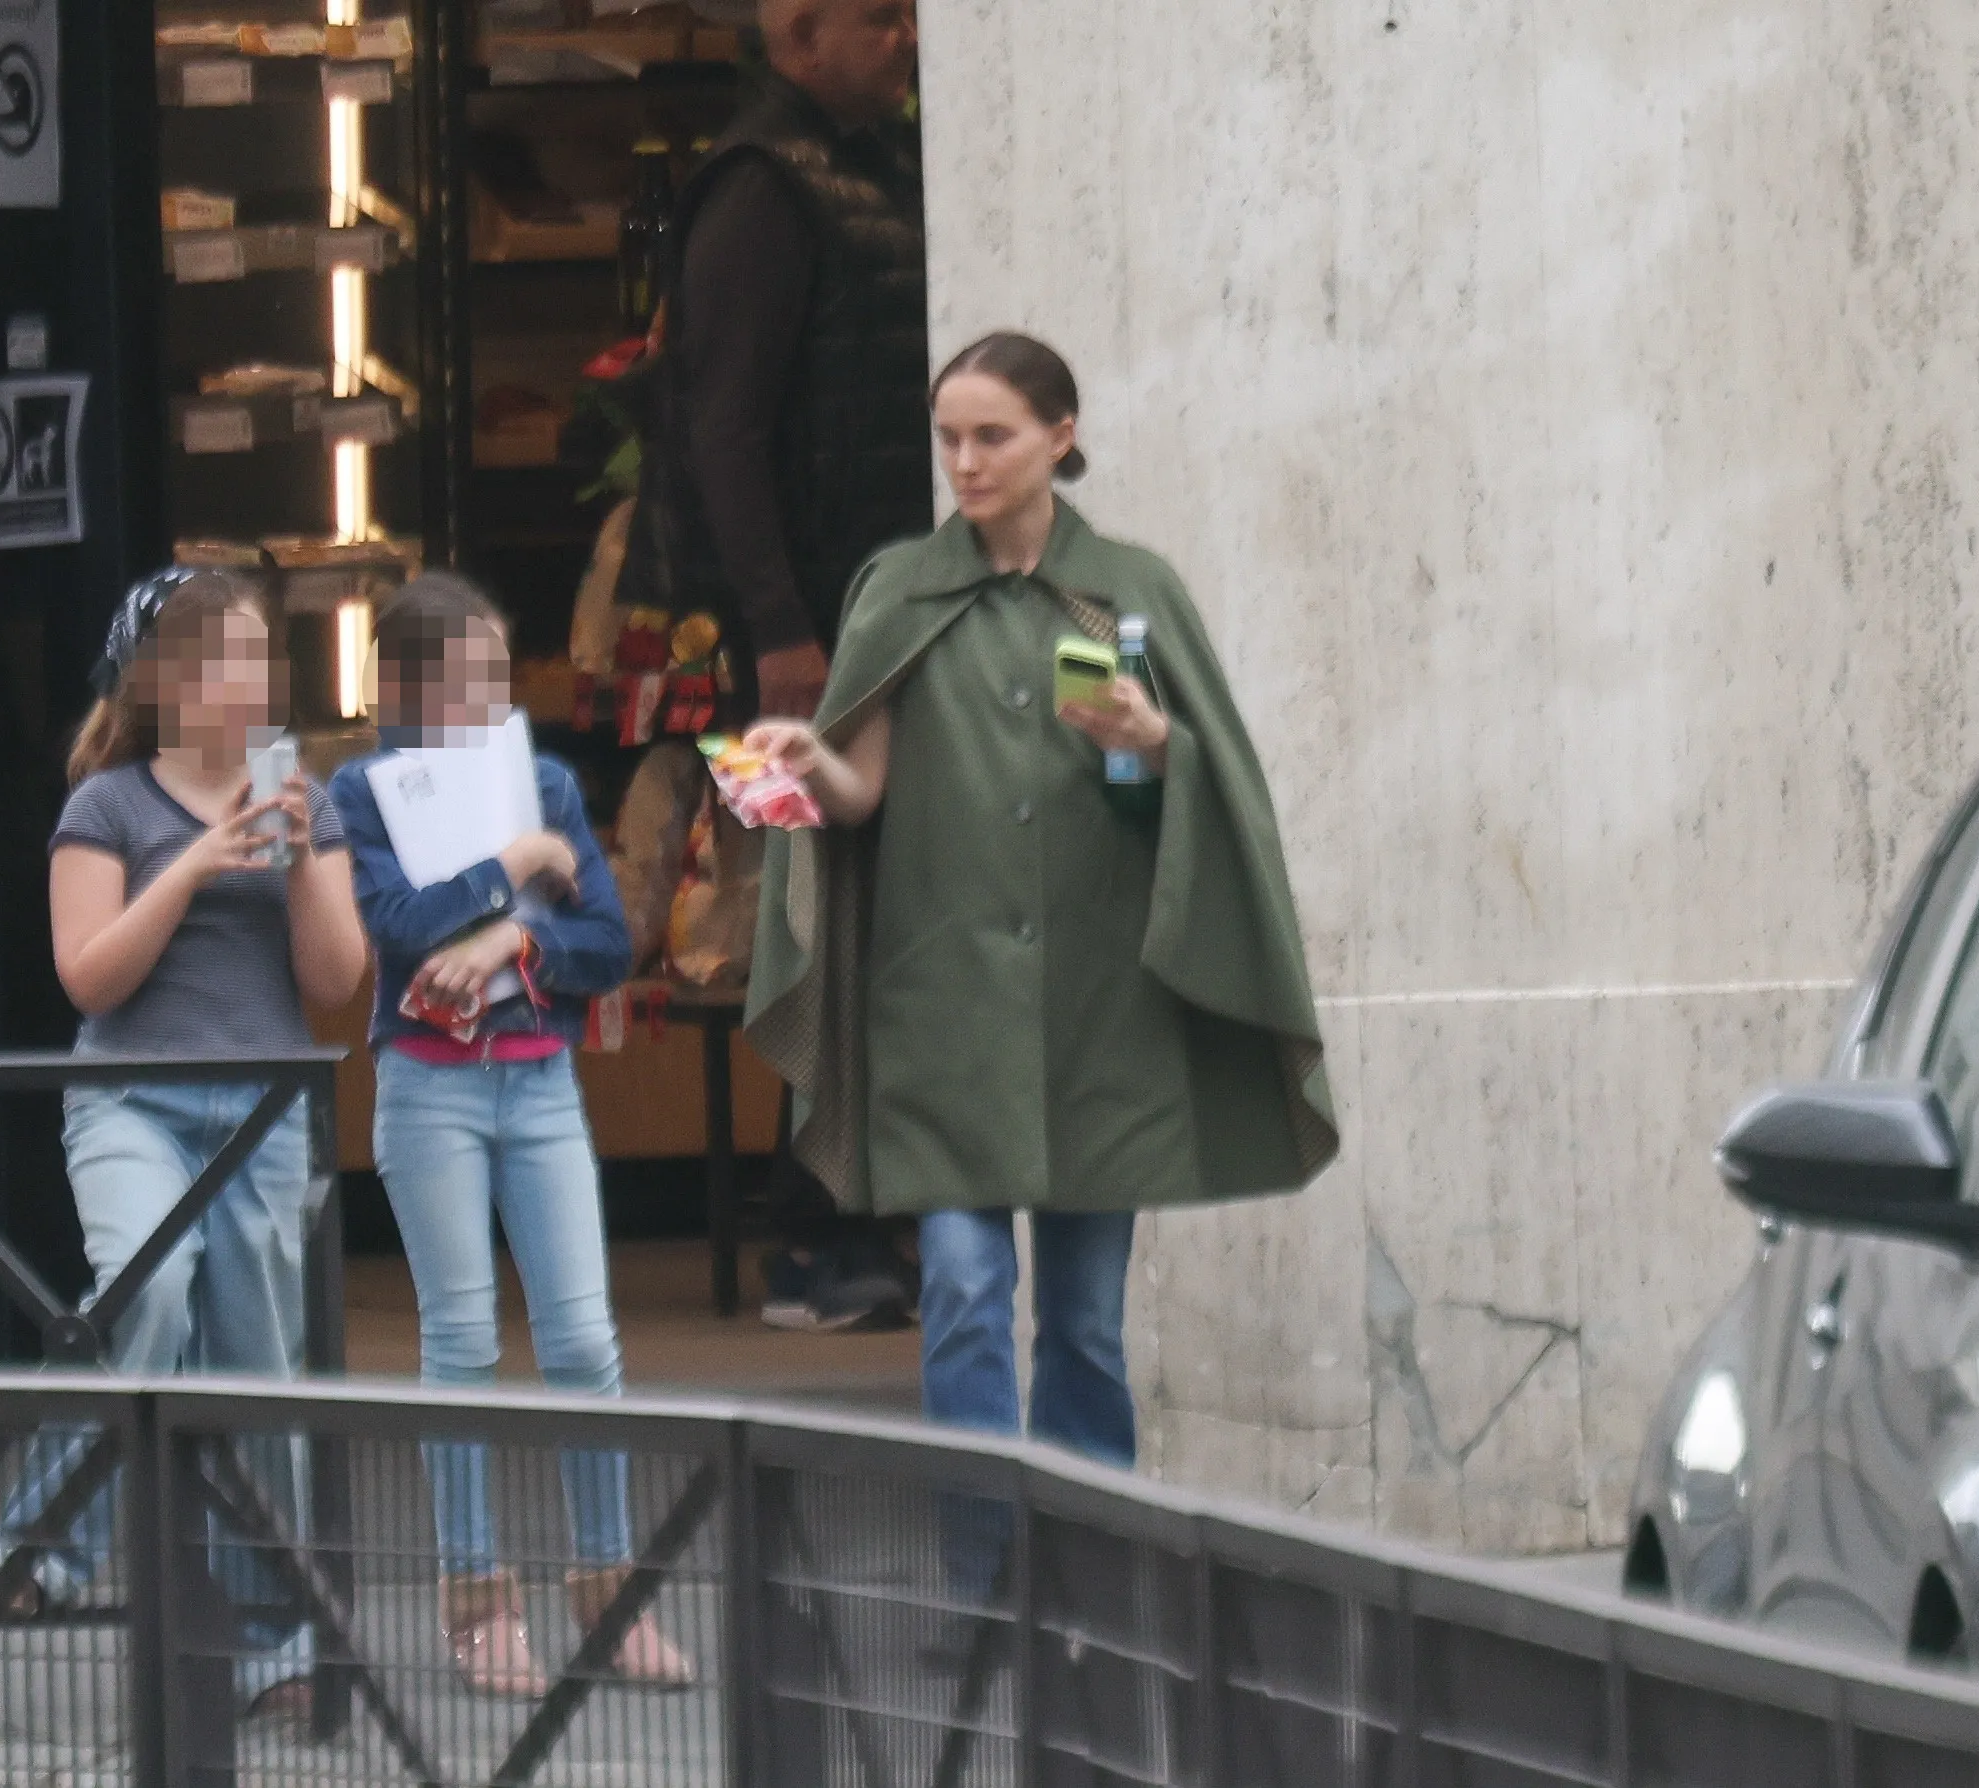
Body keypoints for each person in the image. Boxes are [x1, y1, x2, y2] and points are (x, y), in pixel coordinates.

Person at [742, 334, 1340, 1503]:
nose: (963, 463)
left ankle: (1085, 1590)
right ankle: (987, 1596)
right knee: (962, 1292)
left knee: (1081, 1327)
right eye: (948, 439)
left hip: (1098, 1017)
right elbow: (861, 790)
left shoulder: (1133, 589)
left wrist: (1158, 744)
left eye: (991, 437)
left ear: (1059, 438)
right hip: (941, 1009)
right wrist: (806, 756)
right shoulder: (898, 590)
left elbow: (1228, 792)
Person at [0, 566, 369, 1721]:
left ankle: (271, 1642)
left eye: (262, 659)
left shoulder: (306, 793)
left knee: (253, 1358)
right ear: (167, 681)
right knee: (148, 1289)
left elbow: (336, 986)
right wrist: (194, 865)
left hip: (263, 1107)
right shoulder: (108, 806)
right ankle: (37, 1550)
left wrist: (296, 862)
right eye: (226, 660)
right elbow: (87, 975)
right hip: (132, 1102)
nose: (252, 683)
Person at [618, 0, 928, 1332]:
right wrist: (776, 628)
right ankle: (815, 1231)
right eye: (880, 16)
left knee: (880, 915)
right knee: (807, 916)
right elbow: (723, 430)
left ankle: (868, 1213)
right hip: (796, 649)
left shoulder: (877, 164)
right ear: (797, 35)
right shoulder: (757, 190)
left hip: (868, 624)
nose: (910, 35)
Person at [331, 573, 691, 1695]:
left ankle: (609, 1594)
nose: (496, 699)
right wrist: (513, 870)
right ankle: (478, 1601)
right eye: (473, 678)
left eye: (498, 675)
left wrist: (507, 948)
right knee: (463, 1344)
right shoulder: (361, 790)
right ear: (405, 687)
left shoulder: (539, 780)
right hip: (428, 1084)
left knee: (583, 1341)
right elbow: (390, 929)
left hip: (538, 1082)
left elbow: (604, 941)